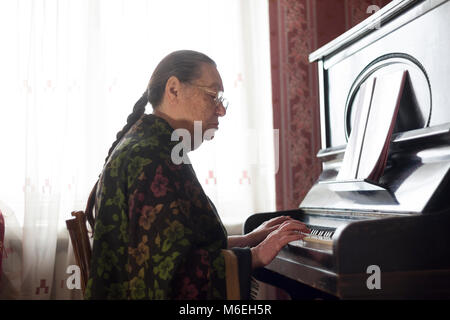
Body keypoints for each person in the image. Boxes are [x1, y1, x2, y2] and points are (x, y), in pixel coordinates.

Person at [84, 50, 309, 300]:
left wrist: (249, 240)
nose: (221, 110)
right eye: (213, 95)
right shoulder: (151, 158)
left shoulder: (154, 146)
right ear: (173, 89)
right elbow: (172, 275)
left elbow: (176, 248)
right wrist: (255, 255)